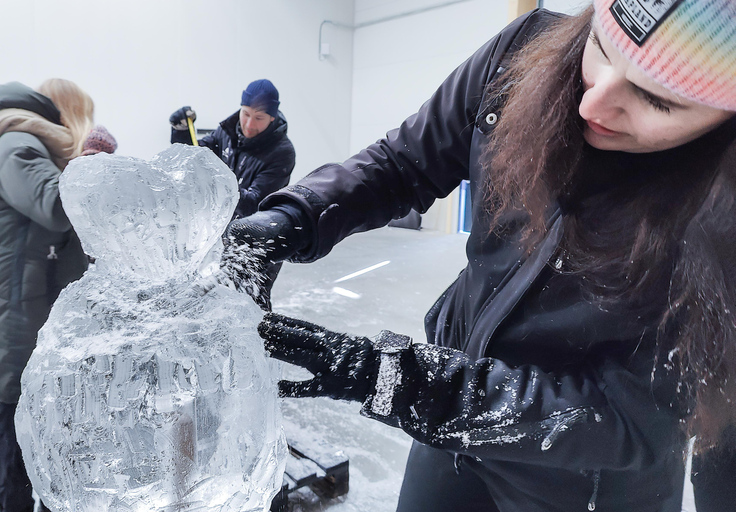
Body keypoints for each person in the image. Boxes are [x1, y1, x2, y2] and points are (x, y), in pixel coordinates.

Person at [224, 1, 736, 511]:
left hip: (581, 480)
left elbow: (631, 417)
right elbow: (404, 163)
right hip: (448, 426)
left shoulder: (722, 214)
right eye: (598, 47)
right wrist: (293, 218)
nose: (592, 105)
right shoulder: (524, 54)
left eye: (656, 101)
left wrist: (395, 377)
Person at [0, 79, 108, 512]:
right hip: (18, 308)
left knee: (41, 413)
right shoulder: (19, 146)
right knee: (18, 416)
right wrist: (89, 167)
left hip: (31, 302)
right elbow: (54, 205)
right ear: (68, 114)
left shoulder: (32, 149)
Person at [169, 79, 296, 309]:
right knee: (215, 307)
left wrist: (216, 183)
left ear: (272, 118)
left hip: (260, 243)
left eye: (258, 118)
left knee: (251, 306)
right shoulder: (227, 132)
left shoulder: (281, 152)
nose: (248, 124)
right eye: (245, 114)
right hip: (222, 237)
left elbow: (255, 203)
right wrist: (181, 133)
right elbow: (194, 159)